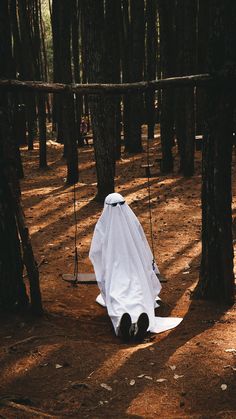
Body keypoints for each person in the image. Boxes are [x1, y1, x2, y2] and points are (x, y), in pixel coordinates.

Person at [89, 192, 182, 343]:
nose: (117, 210)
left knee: (118, 297)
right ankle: (131, 326)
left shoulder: (102, 225)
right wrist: (149, 270)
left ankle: (126, 326)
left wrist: (104, 273)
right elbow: (144, 248)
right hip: (135, 271)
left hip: (116, 273)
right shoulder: (132, 222)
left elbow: (96, 254)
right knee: (137, 294)